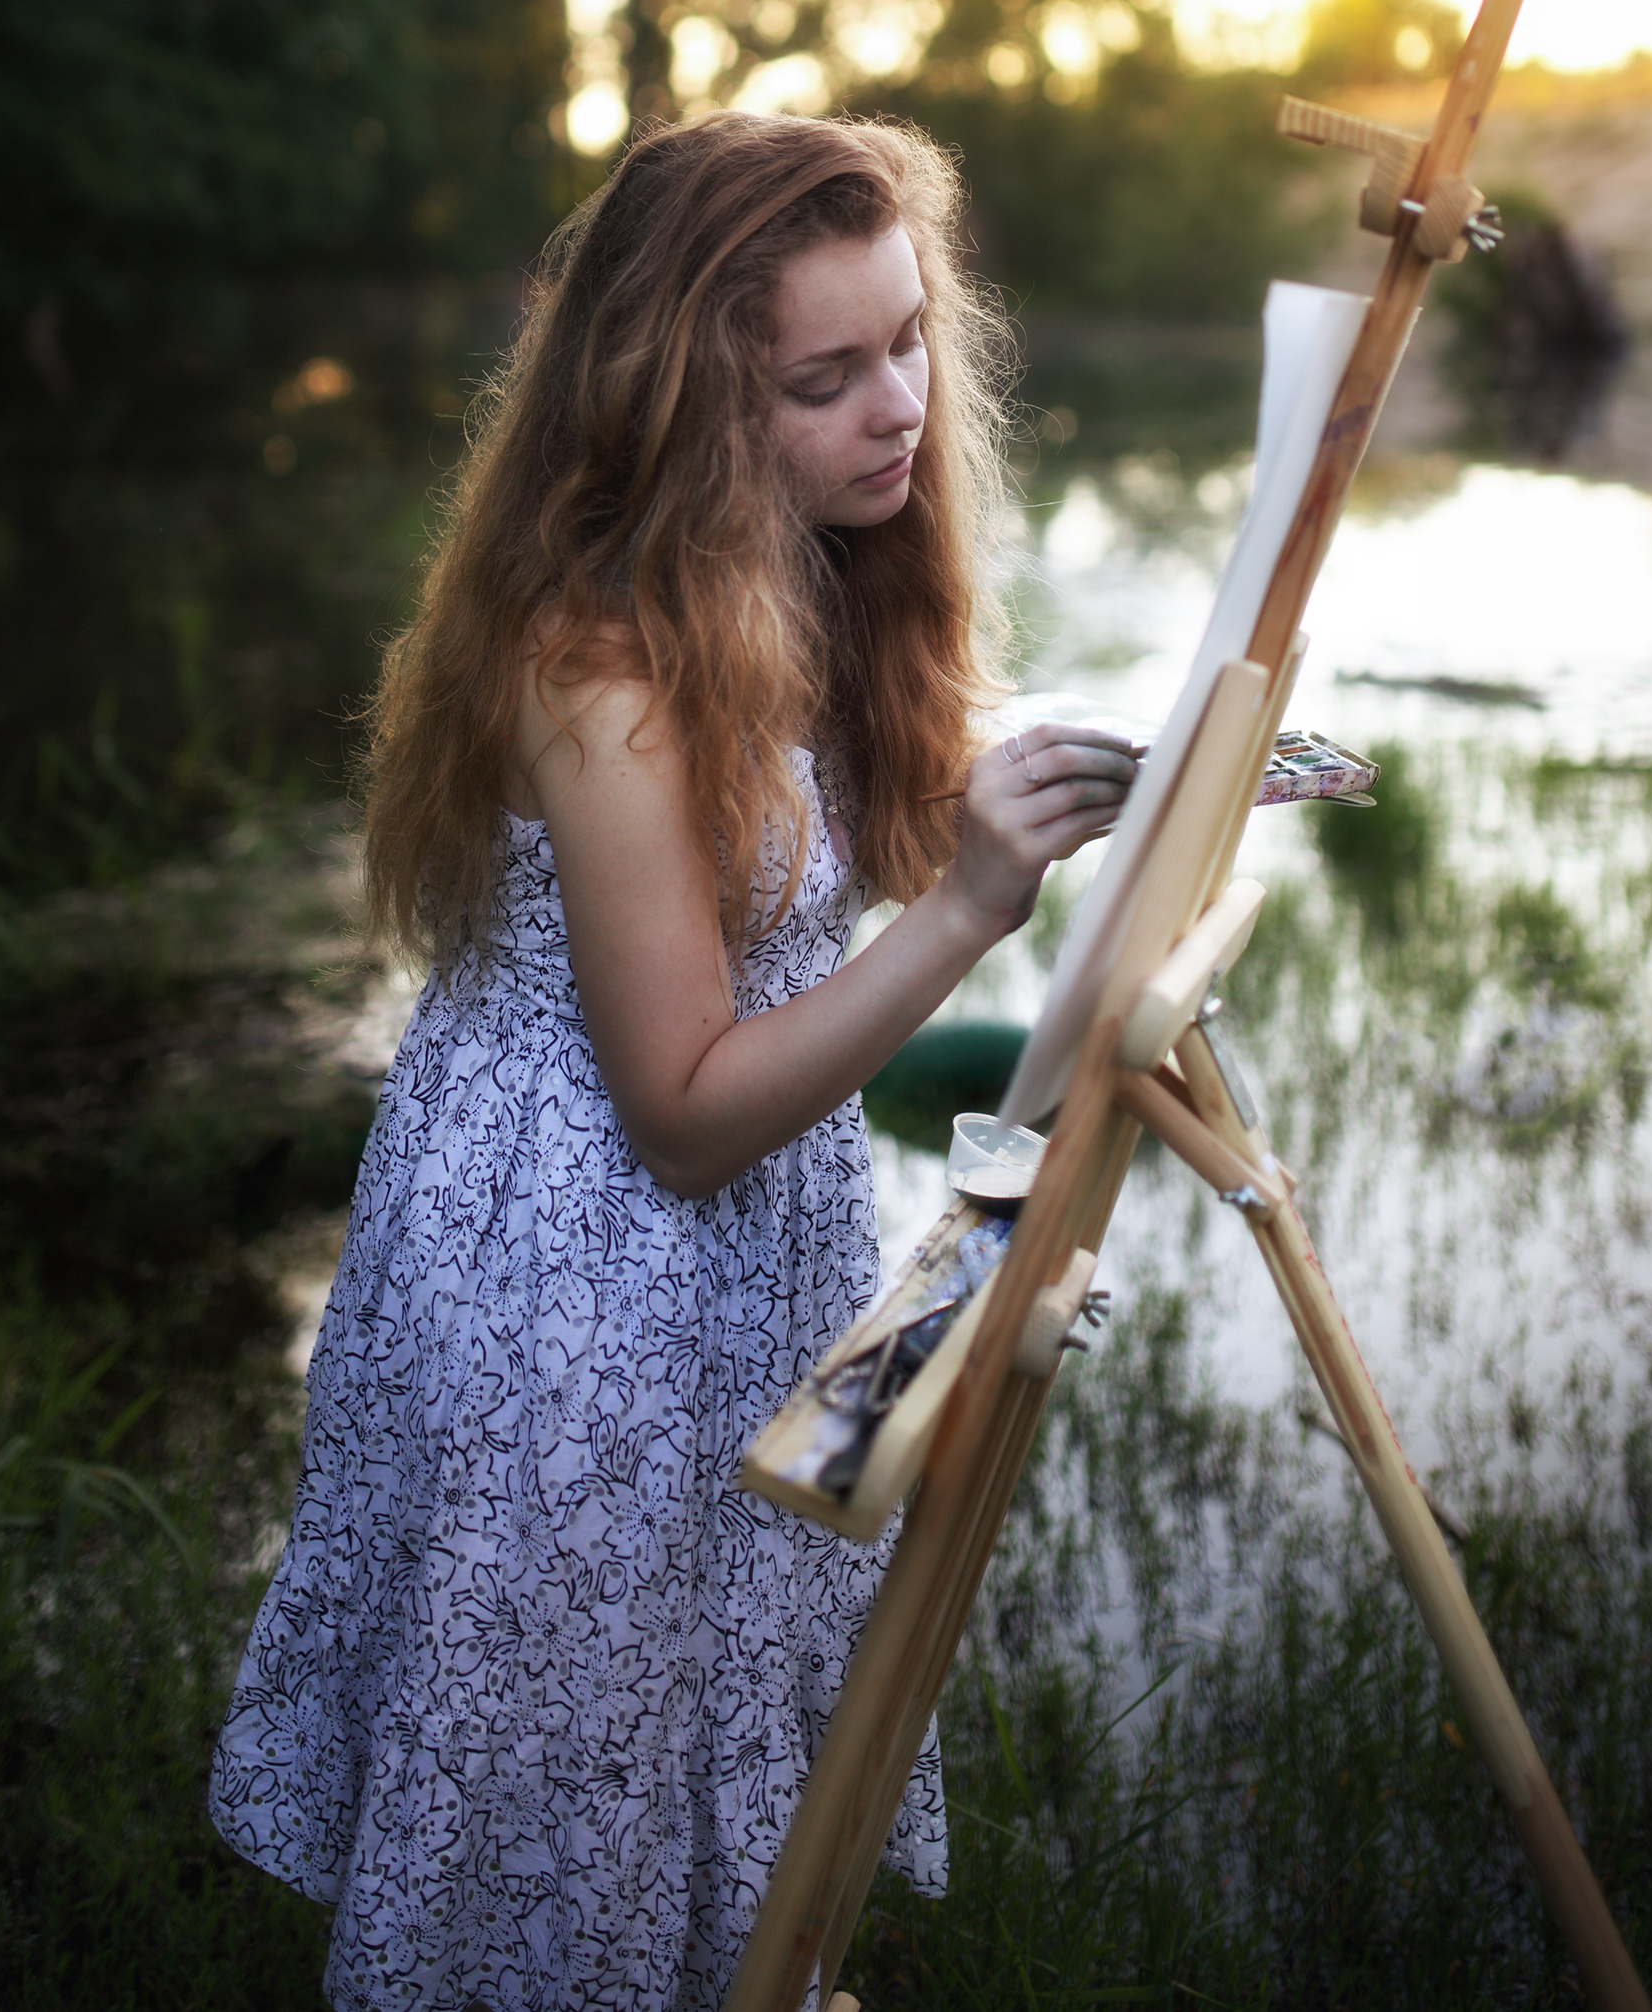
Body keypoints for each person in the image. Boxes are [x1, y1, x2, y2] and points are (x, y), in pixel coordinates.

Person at [209, 112, 1138, 2010]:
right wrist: (967, 909)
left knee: (703, 1710)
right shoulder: (595, 656)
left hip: (720, 1260)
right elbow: (689, 1109)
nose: (896, 405)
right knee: (571, 1785)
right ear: (688, 400)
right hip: (570, 1289)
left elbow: (823, 861)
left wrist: (1032, 792)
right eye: (826, 376)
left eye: (908, 343)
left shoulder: (806, 558)